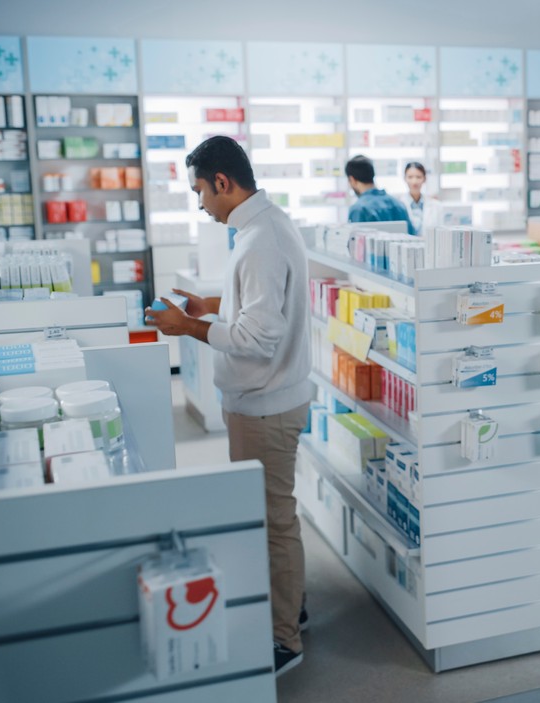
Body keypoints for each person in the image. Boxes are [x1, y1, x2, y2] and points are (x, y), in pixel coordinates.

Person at [147, 135, 312, 677]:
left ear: (223, 182)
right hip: (264, 401)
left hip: (264, 407)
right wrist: (210, 306)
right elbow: (261, 305)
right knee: (276, 515)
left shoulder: (260, 239)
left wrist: (188, 327)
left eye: (200, 191)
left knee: (274, 521)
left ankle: (285, 639)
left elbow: (259, 338)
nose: (200, 204)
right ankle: (293, 607)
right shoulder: (263, 226)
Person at [345, 154, 415, 234]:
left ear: (352, 180)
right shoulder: (399, 205)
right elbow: (412, 238)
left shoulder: (358, 209)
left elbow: (356, 244)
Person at [402, 161, 430, 234]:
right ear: (405, 179)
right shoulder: (399, 205)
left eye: (418, 177)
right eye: (410, 177)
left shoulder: (436, 206)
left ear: (424, 179)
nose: (414, 182)